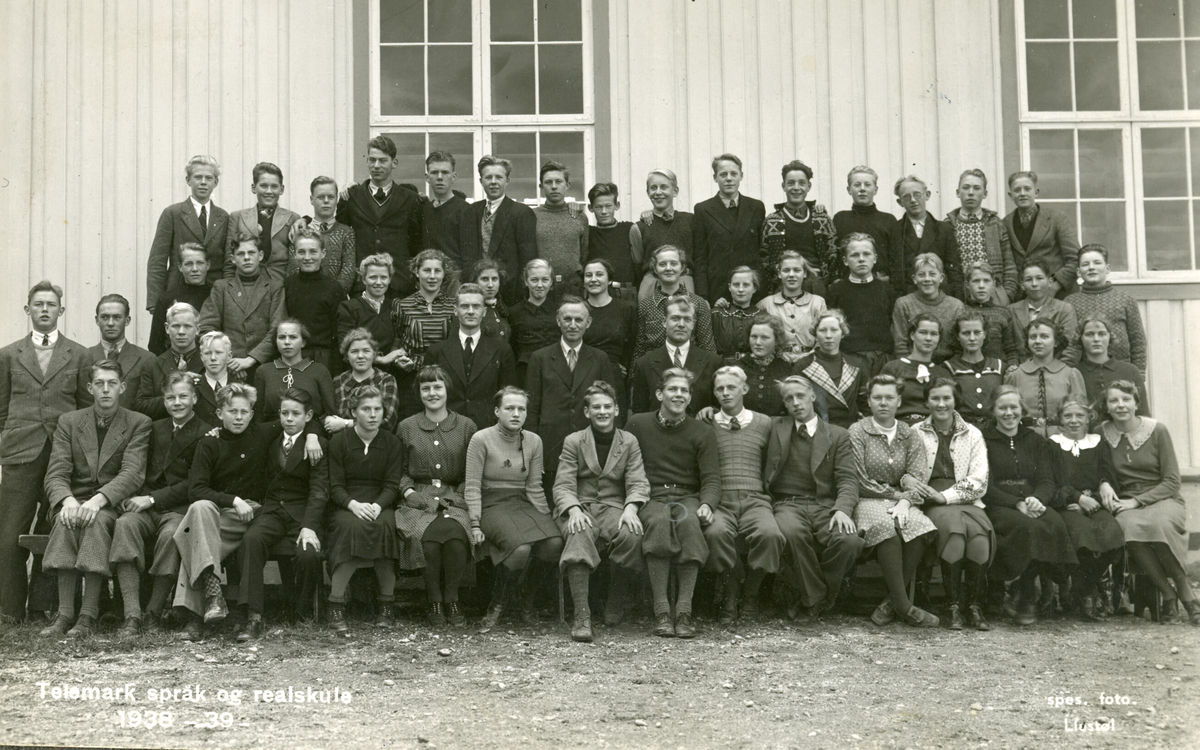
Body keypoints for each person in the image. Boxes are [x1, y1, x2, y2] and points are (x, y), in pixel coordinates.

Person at [172, 382, 320, 641]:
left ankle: (195, 618)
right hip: (218, 514)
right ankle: (213, 596)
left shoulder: (261, 434)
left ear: (252, 414)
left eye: (244, 412)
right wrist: (232, 499)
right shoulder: (208, 443)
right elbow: (196, 490)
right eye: (232, 412)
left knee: (195, 538)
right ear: (220, 414)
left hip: (250, 513)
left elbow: (300, 420)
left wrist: (314, 435)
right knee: (199, 511)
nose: (238, 417)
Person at [38, 360, 152, 638]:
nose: (105, 390)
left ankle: (87, 616)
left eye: (112, 383)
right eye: (99, 383)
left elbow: (132, 474)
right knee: (67, 521)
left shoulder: (138, 423)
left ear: (122, 387)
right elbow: (56, 472)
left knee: (94, 522)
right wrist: (67, 501)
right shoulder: (70, 422)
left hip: (110, 505)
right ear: (90, 388)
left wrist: (98, 500)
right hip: (73, 501)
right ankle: (64, 615)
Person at [0, 281, 92, 623]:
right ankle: (9, 610)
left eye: (51, 305)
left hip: (60, 455)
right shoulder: (9, 354)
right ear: (27, 310)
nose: (44, 310)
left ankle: (42, 607)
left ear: (61, 311)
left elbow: (84, 409)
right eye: (37, 304)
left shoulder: (78, 354)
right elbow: (0, 408)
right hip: (19, 453)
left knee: (54, 528)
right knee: (10, 533)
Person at [108, 371, 212, 636]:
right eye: (170, 398)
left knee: (170, 536)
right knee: (124, 526)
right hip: (144, 506)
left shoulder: (205, 433)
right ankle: (132, 615)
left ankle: (153, 612)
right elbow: (136, 467)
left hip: (177, 508)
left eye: (183, 397)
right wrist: (132, 498)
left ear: (195, 398)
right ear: (164, 401)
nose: (177, 403)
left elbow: (193, 483)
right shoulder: (154, 428)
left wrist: (153, 498)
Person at [625, 368, 721, 638]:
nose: (678, 395)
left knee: (689, 522)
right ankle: (662, 611)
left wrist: (707, 504)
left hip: (686, 496)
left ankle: (683, 611)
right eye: (672, 389)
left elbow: (712, 478)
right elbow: (626, 467)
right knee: (658, 522)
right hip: (651, 495)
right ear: (659, 394)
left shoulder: (702, 431)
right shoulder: (638, 424)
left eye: (684, 391)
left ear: (690, 398)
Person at [552, 381, 650, 641]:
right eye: (596, 407)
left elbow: (638, 481)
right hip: (580, 505)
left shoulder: (628, 441)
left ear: (617, 410)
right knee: (579, 532)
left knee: (632, 536)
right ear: (587, 412)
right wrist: (573, 510)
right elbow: (562, 484)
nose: (602, 412)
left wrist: (630, 509)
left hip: (614, 507)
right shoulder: (574, 441)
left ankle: (615, 598)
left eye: (608, 406)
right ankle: (582, 614)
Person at [1097, 381, 1199, 625]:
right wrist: (1103, 483)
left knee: (1158, 526)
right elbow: (1097, 467)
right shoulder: (1101, 432)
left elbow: (1172, 481)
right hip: (1124, 501)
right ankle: (1168, 595)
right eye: (1114, 401)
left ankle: (1186, 594)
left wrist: (1137, 501)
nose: (1120, 405)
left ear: (1136, 403)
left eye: (1126, 399)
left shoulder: (1157, 430)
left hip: (1162, 497)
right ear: (1107, 407)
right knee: (1128, 528)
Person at [764, 375, 863, 621]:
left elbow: (848, 479)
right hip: (787, 503)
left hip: (824, 505)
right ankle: (819, 599)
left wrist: (842, 509)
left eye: (800, 396)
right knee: (792, 534)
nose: (796, 402)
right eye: (789, 399)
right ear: (784, 405)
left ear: (812, 396)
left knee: (848, 541)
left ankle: (817, 596)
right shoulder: (774, 426)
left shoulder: (837, 435)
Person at [234, 388, 328, 640]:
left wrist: (309, 526)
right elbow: (240, 429)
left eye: (295, 414)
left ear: (307, 416)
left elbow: (319, 491)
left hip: (302, 515)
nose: (289, 419)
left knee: (308, 554)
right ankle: (253, 616)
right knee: (252, 540)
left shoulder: (318, 445)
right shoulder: (270, 438)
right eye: (284, 413)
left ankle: (301, 612)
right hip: (273, 511)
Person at [466, 387, 564, 631]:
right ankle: (497, 604)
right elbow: (472, 485)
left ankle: (526, 599)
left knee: (554, 542)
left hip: (521, 501)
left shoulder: (533, 441)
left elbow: (534, 486)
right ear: (497, 411)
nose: (516, 413)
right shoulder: (481, 439)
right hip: (490, 502)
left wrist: (545, 516)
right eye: (509, 408)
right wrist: (475, 523)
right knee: (520, 548)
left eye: (521, 409)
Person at [849, 375, 941, 628]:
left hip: (902, 500)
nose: (883, 403)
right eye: (877, 397)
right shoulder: (858, 431)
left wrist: (906, 501)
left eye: (889, 398)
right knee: (887, 527)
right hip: (867, 498)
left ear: (899, 401)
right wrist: (898, 496)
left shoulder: (909, 434)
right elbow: (860, 479)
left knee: (918, 525)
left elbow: (917, 475)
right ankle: (904, 606)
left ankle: (891, 601)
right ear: (868, 401)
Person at [982, 386, 1077, 626]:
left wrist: (1038, 499)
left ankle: (1037, 588)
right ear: (993, 410)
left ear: (1022, 410)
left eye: (1014, 407)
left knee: (1054, 523)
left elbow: (1046, 480)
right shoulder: (984, 440)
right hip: (1000, 503)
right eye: (1002, 408)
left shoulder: (1034, 440)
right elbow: (985, 484)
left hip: (1033, 500)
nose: (1008, 413)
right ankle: (1025, 593)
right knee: (1026, 527)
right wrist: (1016, 503)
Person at [395, 366, 478, 628]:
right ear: (419, 393)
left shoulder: (466, 426)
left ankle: (452, 599)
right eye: (426, 388)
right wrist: (408, 491)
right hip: (417, 497)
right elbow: (399, 470)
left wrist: (459, 495)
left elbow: (471, 472)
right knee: (426, 539)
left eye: (437, 387)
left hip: (455, 496)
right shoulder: (407, 427)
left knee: (455, 536)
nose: (432, 393)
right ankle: (433, 600)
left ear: (447, 390)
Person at [912, 378, 994, 631]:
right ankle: (953, 606)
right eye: (935, 398)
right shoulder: (915, 432)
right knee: (955, 537)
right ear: (927, 401)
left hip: (965, 497)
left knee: (979, 538)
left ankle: (974, 605)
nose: (941, 404)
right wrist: (932, 496)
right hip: (930, 499)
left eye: (946, 398)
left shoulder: (972, 433)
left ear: (955, 400)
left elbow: (980, 479)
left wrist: (947, 496)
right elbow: (910, 474)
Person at [704, 366, 784, 625]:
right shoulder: (705, 424)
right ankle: (730, 593)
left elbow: (772, 463)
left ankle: (750, 595)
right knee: (715, 534)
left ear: (744, 390)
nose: (726, 393)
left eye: (731, 388)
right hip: (720, 499)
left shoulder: (764, 423)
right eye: (720, 389)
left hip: (755, 499)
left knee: (770, 535)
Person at [324, 385, 405, 634]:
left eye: (377, 409)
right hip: (347, 505)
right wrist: (353, 505)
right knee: (350, 526)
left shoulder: (392, 443)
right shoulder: (339, 442)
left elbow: (392, 485)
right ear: (354, 412)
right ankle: (335, 605)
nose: (373, 415)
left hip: (381, 505)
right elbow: (335, 485)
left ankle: (386, 605)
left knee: (385, 526)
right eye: (366, 409)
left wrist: (378, 505)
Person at [526, 296, 616, 488]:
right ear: (558, 321)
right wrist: (534, 451)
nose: (573, 325)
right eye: (567, 319)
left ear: (588, 322)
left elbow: (609, 405)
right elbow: (532, 408)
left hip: (590, 445)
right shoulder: (540, 358)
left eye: (579, 320)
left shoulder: (600, 359)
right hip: (550, 446)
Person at [1050, 397, 1125, 622]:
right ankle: (1087, 595)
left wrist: (1101, 485)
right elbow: (1050, 481)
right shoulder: (1052, 444)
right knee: (1082, 538)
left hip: (1094, 504)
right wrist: (1076, 498)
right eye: (1068, 416)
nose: (1074, 421)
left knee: (1114, 538)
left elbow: (1108, 474)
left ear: (1088, 418)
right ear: (1060, 419)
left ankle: (1082, 588)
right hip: (1068, 505)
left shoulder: (1098, 442)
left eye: (1079, 416)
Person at [336, 136, 423, 297]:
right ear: (367, 161)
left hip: (400, 285)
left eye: (383, 161)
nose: (376, 166)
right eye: (372, 160)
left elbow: (416, 244)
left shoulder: (411, 199)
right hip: (362, 285)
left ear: (394, 163)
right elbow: (338, 232)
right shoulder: (351, 197)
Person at [424, 283, 519, 430]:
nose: (470, 311)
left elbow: (509, 396)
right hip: (446, 430)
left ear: (484, 311)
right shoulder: (436, 351)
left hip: (488, 430)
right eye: (464, 306)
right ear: (455, 311)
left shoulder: (502, 350)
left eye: (476, 306)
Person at [145, 155, 228, 312]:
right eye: (198, 177)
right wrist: (155, 301)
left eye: (208, 178)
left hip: (213, 294)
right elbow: (158, 260)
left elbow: (227, 261)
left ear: (215, 182)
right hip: (178, 292)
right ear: (188, 180)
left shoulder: (223, 217)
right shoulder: (173, 213)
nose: (203, 182)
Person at [198, 233, 286, 375]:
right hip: (228, 368)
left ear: (261, 255)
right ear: (233, 259)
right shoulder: (221, 287)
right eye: (240, 254)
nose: (246, 258)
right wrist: (229, 360)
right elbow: (207, 327)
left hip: (265, 367)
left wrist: (251, 359)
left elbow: (278, 329)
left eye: (251, 252)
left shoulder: (274, 287)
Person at [692, 153, 767, 305]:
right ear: (715, 178)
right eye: (723, 174)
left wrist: (762, 288)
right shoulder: (703, 209)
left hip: (749, 288)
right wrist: (703, 296)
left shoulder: (756, 207)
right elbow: (700, 256)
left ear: (741, 176)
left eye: (734, 174)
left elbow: (762, 251)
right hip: (718, 289)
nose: (729, 178)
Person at [391, 249, 457, 418]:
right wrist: (399, 360)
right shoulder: (403, 305)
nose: (432, 276)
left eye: (437, 271)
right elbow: (397, 342)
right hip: (412, 378)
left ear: (444, 274)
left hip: (446, 378)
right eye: (427, 270)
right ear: (416, 272)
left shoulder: (453, 306)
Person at [631, 296, 722, 415]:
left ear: (693, 324)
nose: (681, 324)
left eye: (687, 319)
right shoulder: (644, 364)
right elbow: (640, 414)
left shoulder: (713, 361)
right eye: (675, 318)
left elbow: (720, 406)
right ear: (664, 322)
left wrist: (712, 410)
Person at [467, 155, 538, 305]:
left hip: (510, 292)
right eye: (488, 177)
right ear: (481, 181)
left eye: (498, 177)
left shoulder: (521, 212)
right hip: (475, 291)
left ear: (507, 180)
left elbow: (528, 259)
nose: (493, 182)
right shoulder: (471, 211)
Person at [759, 160, 838, 295]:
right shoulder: (771, 221)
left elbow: (833, 255)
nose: (796, 188)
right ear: (783, 186)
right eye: (790, 183)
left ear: (809, 186)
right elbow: (764, 260)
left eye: (802, 183)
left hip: (817, 285)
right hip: (783, 286)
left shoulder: (822, 219)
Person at [1065, 244, 1147, 373]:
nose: (1091, 268)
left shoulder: (1125, 300)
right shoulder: (1069, 302)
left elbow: (1138, 341)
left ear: (1107, 268)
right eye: (1085, 264)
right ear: (1078, 272)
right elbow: (1068, 343)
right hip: (1084, 373)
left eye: (1097, 263)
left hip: (1121, 372)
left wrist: (1139, 374)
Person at [823, 233, 895, 378]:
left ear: (875, 258)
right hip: (849, 357)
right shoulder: (836, 290)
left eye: (866, 254)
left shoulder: (886, 289)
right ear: (845, 261)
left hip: (883, 357)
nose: (861, 259)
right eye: (855, 255)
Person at [1003, 171, 1080, 299]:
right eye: (1017, 190)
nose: (1022, 193)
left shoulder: (1056, 219)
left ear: (1036, 192)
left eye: (1027, 189)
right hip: (1024, 297)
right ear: (1010, 195)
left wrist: (1055, 286)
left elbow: (1076, 258)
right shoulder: (1005, 224)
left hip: (1059, 295)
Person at [1005, 318, 1087, 436]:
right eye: (1033, 337)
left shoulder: (1071, 374)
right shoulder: (1015, 375)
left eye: (1044, 337)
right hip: (1024, 439)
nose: (1037, 341)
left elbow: (1081, 416)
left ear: (1056, 342)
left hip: (1063, 439)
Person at [944, 169, 1016, 305]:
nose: (971, 192)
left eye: (977, 188)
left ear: (985, 194)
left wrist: (1007, 294)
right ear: (958, 192)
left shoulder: (995, 223)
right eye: (966, 188)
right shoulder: (947, 225)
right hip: (960, 295)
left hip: (994, 294)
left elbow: (1009, 265)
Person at [634, 244, 717, 359]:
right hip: (655, 370)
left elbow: (708, 348)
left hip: (690, 368)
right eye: (662, 264)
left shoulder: (698, 303)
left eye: (673, 263)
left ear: (682, 267)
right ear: (655, 269)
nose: (668, 268)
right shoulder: (646, 305)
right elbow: (639, 349)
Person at [283, 226, 347, 373]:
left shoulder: (333, 288)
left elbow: (338, 331)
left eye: (313, 252)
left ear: (322, 253)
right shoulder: (288, 284)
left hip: (324, 358)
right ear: (294, 254)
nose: (307, 257)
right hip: (292, 356)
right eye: (301, 252)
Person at [225, 162, 301, 283]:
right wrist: (228, 288)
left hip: (280, 283)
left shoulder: (293, 218)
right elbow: (229, 261)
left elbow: (296, 260)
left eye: (274, 186)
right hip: (246, 284)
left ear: (282, 189)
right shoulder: (237, 217)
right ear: (254, 187)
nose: (269, 191)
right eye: (264, 186)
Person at [631, 168, 696, 303]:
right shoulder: (640, 227)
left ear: (675, 191)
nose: (658, 192)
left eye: (664, 187)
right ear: (648, 192)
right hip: (651, 286)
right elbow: (637, 265)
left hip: (685, 284)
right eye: (653, 188)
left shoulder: (690, 221)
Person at [582, 258, 637, 417]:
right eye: (588, 275)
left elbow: (632, 344)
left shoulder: (626, 308)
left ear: (609, 279)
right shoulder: (579, 309)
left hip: (615, 375)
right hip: (584, 371)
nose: (593, 279)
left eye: (599, 274)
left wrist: (623, 365)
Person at [252, 319, 337, 422]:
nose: (287, 342)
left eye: (293, 337)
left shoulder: (319, 370)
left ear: (303, 342)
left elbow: (330, 412)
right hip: (271, 433)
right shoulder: (264, 371)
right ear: (276, 341)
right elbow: (258, 415)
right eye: (282, 337)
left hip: (310, 433)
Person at [892, 175, 963, 298]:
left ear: (927, 195)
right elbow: (895, 273)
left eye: (917, 194)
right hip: (908, 298)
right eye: (906, 197)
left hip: (940, 296)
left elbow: (954, 271)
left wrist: (957, 300)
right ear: (900, 202)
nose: (913, 200)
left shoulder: (943, 229)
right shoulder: (895, 230)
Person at [794, 310, 865, 428]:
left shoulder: (857, 364)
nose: (828, 335)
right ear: (815, 334)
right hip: (817, 429)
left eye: (834, 330)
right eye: (822, 330)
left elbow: (865, 404)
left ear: (842, 334)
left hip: (850, 430)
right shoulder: (803, 365)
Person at [831, 166, 898, 286]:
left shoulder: (888, 220)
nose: (862, 189)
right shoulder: (840, 218)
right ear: (848, 189)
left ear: (876, 189)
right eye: (857, 185)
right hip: (847, 283)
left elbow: (896, 258)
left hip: (882, 283)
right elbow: (833, 254)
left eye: (867, 185)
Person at [891, 253, 965, 361]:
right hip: (912, 366)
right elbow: (900, 345)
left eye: (932, 274)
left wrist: (948, 369)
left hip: (947, 367)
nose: (927, 279)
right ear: (914, 279)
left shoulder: (956, 306)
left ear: (941, 277)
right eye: (921, 275)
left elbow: (960, 347)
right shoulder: (903, 304)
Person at [137, 302, 205, 420]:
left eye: (187, 326)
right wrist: (173, 394)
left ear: (198, 329)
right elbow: (141, 407)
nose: (181, 332)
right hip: (164, 434)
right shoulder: (152, 365)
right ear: (167, 328)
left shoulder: (210, 363)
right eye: (176, 326)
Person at [880, 314, 952, 425]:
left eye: (934, 334)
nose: (928, 338)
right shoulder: (893, 368)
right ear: (912, 335)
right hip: (899, 428)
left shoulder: (943, 373)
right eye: (923, 332)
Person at [88, 294, 155, 410]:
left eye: (117, 317)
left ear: (127, 320)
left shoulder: (146, 359)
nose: (110, 323)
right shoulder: (84, 356)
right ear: (97, 320)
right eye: (104, 317)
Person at [328, 328, 401, 435]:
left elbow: (388, 423)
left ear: (374, 354)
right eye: (354, 351)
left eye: (366, 351)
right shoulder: (338, 381)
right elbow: (332, 420)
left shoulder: (387, 380)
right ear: (347, 356)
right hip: (344, 443)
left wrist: (346, 423)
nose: (360, 356)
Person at [336, 254, 401, 370]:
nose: (378, 282)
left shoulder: (395, 306)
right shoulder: (349, 308)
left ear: (390, 279)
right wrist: (381, 360)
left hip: (391, 373)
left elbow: (399, 339)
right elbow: (345, 346)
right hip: (358, 372)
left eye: (384, 277)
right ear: (363, 279)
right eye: (373, 277)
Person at [1007, 260, 1081, 363]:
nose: (1034, 284)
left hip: (1056, 372)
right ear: (1022, 285)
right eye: (1028, 280)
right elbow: (1009, 349)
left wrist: (1057, 372)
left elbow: (1071, 348)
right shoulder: (1011, 310)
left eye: (1039, 278)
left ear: (1050, 282)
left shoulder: (1064, 309)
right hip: (1021, 371)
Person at [533, 161, 589, 296]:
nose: (554, 187)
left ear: (567, 185)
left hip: (573, 287)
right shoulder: (531, 216)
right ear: (541, 186)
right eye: (548, 182)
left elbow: (585, 255)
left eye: (559, 181)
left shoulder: (579, 217)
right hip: (541, 286)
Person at [756, 251, 827, 356]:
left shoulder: (817, 303)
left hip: (810, 360)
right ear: (779, 274)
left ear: (805, 273)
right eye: (786, 270)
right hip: (777, 361)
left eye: (797, 270)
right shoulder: (765, 304)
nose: (791, 275)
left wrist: (807, 356)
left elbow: (824, 336)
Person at [942, 310, 1006, 428]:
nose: (972, 338)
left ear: (985, 334)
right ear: (957, 336)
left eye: (977, 332)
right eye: (966, 333)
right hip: (963, 429)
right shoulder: (949, 367)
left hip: (995, 429)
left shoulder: (999, 366)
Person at [1076, 313, 1149, 415]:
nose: (1096, 339)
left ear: (1110, 336)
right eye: (1089, 334)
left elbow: (1143, 413)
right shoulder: (1075, 372)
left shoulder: (1130, 370)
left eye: (1102, 334)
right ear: (1081, 338)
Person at [148, 243, 213, 355]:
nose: (195, 269)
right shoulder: (167, 299)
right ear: (180, 267)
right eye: (188, 264)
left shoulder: (216, 295)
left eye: (200, 263)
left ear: (208, 265)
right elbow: (155, 344)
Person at [508, 259, 562, 385]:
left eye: (545, 280)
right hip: (526, 374)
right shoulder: (514, 312)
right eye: (534, 280)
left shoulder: (560, 310)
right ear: (526, 281)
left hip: (557, 372)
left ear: (551, 282)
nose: (539, 285)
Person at [730, 313, 795, 417]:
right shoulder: (736, 367)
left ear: (777, 340)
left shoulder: (786, 368)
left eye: (765, 337)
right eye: (754, 337)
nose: (758, 342)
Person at [301, 176, 357, 293]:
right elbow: (294, 268)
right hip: (305, 296)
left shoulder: (346, 233)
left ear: (337, 199)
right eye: (321, 197)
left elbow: (348, 270)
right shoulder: (301, 231)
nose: (326, 201)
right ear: (311, 199)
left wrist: (332, 295)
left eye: (331, 197)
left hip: (335, 300)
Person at [961, 261, 1021, 371]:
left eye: (986, 281)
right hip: (967, 371)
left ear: (993, 284)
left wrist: (1012, 366)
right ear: (967, 284)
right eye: (976, 281)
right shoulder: (960, 310)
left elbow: (1011, 349)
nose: (981, 286)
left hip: (997, 371)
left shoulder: (1003, 313)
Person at [584, 183, 638, 300]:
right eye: (598, 207)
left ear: (616, 206)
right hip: (598, 294)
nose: (604, 211)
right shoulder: (589, 232)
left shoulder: (628, 228)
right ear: (590, 208)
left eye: (608, 206)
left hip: (626, 293)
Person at [420, 151, 473, 269]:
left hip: (454, 280)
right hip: (427, 278)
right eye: (434, 172)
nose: (439, 177)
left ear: (453, 177)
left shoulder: (466, 210)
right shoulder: (423, 210)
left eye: (445, 172)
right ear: (427, 177)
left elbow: (470, 257)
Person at [711, 266, 760, 358]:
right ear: (729, 287)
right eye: (736, 285)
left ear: (754, 288)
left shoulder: (762, 316)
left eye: (746, 285)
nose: (740, 290)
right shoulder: (716, 314)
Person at [194, 331, 240, 427]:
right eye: (207, 353)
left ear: (229, 356)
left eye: (218, 352)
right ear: (201, 357)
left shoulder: (240, 388)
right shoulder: (193, 388)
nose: (213, 358)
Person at [469, 258, 512, 344]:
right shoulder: (469, 309)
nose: (490, 285)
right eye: (485, 279)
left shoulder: (502, 309)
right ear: (475, 281)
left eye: (494, 279)